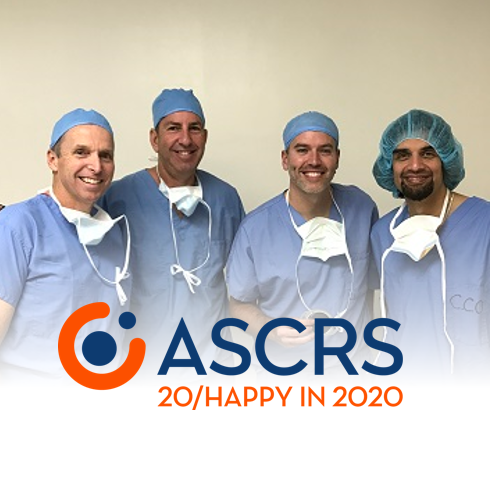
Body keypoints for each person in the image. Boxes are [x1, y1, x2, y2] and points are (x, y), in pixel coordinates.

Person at [101, 88, 244, 379]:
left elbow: (246, 279)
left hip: (211, 363)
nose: (185, 139)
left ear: (205, 137)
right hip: (140, 365)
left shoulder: (225, 199)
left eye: (195, 128)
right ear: (155, 139)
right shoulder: (118, 198)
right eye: (173, 128)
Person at [226, 111, 378, 379]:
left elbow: (367, 290)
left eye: (325, 150)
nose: (314, 160)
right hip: (284, 375)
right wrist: (271, 330)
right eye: (302, 150)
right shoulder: (256, 229)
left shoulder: (362, 209)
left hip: (353, 372)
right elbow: (238, 305)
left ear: (337, 157)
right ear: (285, 159)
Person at [0, 109, 131, 384]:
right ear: (53, 159)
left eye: (105, 155)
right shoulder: (19, 224)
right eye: (81, 153)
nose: (96, 166)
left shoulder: (114, 235)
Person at [370, 109, 490, 383]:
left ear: (446, 161)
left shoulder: (484, 223)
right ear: (390, 165)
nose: (415, 166)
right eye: (403, 155)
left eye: (428, 154)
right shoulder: (383, 234)